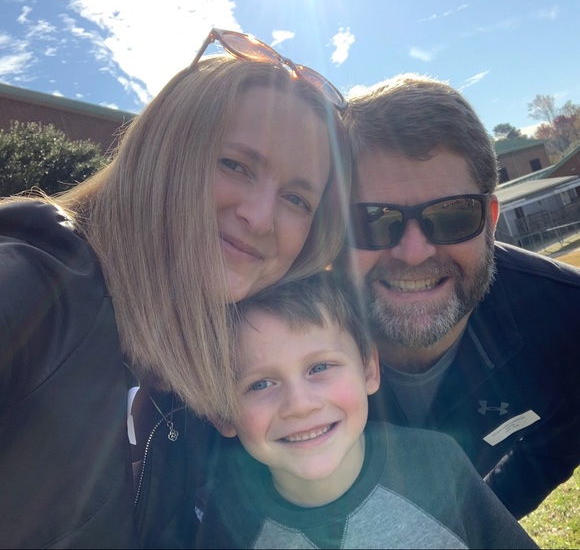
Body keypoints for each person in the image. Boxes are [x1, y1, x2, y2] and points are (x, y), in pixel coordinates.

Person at [0, 28, 352, 548]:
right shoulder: (33, 286)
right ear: (164, 151)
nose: (259, 218)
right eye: (235, 165)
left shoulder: (230, 369)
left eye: (297, 199)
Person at [339, 72, 580, 520]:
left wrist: (468, 531)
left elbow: (552, 450)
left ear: (491, 221)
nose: (413, 252)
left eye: (452, 215)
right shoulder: (268, 334)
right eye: (372, 219)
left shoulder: (569, 321)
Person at [195, 272, 538, 549]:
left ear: (369, 369)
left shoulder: (438, 462)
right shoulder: (226, 523)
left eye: (320, 367)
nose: (299, 405)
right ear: (220, 412)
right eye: (260, 384)